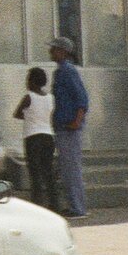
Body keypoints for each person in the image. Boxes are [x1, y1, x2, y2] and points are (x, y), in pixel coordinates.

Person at [51, 36, 91, 219]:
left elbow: (81, 98)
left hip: (69, 128)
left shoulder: (68, 71)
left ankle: (78, 208)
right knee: (67, 170)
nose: (51, 52)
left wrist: (77, 120)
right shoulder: (60, 71)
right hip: (63, 126)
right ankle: (74, 205)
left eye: (55, 49)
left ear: (63, 51)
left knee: (71, 169)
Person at [16, 66, 58, 212]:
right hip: (48, 135)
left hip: (32, 137)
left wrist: (28, 116)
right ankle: (55, 204)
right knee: (48, 172)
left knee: (35, 173)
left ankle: (37, 205)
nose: (26, 82)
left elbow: (17, 113)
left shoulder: (29, 97)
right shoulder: (50, 98)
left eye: (28, 79)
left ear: (32, 81)